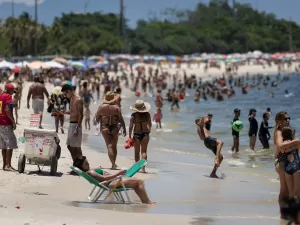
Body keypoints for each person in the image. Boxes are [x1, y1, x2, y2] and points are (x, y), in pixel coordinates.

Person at [73, 156, 155, 204]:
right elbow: (103, 178)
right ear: (81, 167)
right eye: (86, 164)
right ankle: (147, 202)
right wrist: (118, 174)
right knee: (138, 181)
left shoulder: (89, 172)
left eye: (87, 162)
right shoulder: (90, 172)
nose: (88, 164)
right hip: (111, 183)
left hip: (111, 182)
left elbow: (101, 177)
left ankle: (146, 201)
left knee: (136, 184)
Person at [273, 112, 300, 220]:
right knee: (284, 189)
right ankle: (283, 214)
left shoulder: (284, 131)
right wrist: (296, 141)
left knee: (287, 190)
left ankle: (286, 213)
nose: (288, 120)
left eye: (289, 118)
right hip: (282, 162)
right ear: (279, 121)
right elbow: (280, 146)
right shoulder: (279, 132)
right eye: (285, 118)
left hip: (283, 161)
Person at [95, 92, 126, 169]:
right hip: (114, 128)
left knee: (109, 146)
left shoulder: (101, 107)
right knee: (114, 146)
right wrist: (124, 128)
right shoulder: (116, 107)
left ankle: (113, 164)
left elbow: (97, 118)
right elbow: (121, 119)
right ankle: (113, 164)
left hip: (105, 127)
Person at [61, 84, 84, 167]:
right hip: (71, 124)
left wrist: (77, 128)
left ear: (69, 91)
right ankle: (76, 163)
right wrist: (63, 112)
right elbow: (72, 112)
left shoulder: (79, 100)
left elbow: (81, 115)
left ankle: (80, 165)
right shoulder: (71, 99)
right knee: (70, 146)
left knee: (76, 147)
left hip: (76, 125)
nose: (65, 95)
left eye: (65, 94)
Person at [195, 114, 224, 178]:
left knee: (221, 157)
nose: (202, 121)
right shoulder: (199, 126)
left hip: (207, 142)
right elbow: (202, 120)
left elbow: (201, 138)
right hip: (208, 140)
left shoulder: (200, 128)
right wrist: (204, 116)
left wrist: (207, 118)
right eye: (200, 121)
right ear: (198, 122)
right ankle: (216, 159)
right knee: (220, 142)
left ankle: (213, 173)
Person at [129, 100, 152, 173]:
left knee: (136, 152)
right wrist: (149, 130)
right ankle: (143, 169)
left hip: (136, 134)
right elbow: (150, 124)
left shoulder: (133, 115)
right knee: (144, 152)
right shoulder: (147, 114)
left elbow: (130, 126)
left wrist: (129, 136)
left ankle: (136, 167)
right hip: (145, 134)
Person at [0, 84, 18, 171]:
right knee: (10, 144)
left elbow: (12, 105)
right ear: (8, 89)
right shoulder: (7, 96)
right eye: (12, 90)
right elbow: (7, 109)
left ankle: (4, 165)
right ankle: (8, 165)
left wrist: (15, 95)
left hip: (0, 122)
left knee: (3, 145)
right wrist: (13, 122)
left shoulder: (1, 95)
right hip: (6, 122)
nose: (12, 91)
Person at [281, 127, 300, 198]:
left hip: (287, 169)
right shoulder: (296, 143)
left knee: (291, 193)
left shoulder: (283, 145)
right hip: (297, 168)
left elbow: (281, 147)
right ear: (291, 135)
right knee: (297, 193)